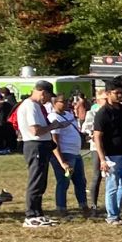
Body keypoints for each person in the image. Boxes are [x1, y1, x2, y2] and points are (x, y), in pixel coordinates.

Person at [17, 80, 70, 227]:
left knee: (41, 182)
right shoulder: (30, 106)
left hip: (42, 145)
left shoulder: (37, 106)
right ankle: (30, 215)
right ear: (42, 92)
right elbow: (35, 130)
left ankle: (38, 213)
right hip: (35, 145)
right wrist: (53, 126)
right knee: (36, 180)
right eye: (47, 96)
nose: (48, 100)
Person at [92, 84, 122, 226]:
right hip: (112, 155)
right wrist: (102, 159)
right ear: (108, 93)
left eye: (121, 92)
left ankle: (116, 211)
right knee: (112, 185)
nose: (120, 95)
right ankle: (112, 216)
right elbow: (97, 137)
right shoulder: (103, 113)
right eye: (116, 92)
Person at [47, 94, 88, 219]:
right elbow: (55, 141)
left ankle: (83, 205)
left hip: (75, 153)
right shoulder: (53, 117)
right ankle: (61, 208)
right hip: (65, 153)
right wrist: (61, 161)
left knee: (80, 181)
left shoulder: (69, 115)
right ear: (54, 103)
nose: (65, 103)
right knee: (64, 182)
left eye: (67, 100)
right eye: (62, 101)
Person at [79, 91, 106, 214]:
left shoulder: (113, 112)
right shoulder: (92, 113)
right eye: (104, 99)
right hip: (96, 148)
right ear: (98, 100)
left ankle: (111, 204)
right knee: (97, 176)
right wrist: (92, 134)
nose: (107, 101)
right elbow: (85, 128)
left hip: (112, 148)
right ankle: (94, 205)